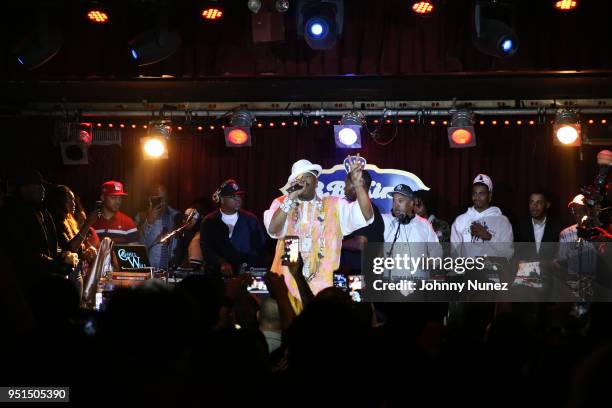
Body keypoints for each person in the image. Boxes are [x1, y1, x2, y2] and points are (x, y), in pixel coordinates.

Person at [264, 158, 374, 312]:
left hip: (323, 294)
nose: (302, 180)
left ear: (316, 181)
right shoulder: (281, 203)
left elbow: (366, 215)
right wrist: (291, 198)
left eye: (307, 176)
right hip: (285, 290)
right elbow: (273, 229)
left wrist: (358, 185)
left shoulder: (334, 204)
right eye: (298, 178)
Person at [0, 170, 77, 290]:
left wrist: (63, 256)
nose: (43, 189)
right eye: (38, 185)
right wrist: (58, 265)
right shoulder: (13, 214)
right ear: (24, 188)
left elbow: (50, 247)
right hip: (24, 283)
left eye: (43, 186)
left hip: (44, 280)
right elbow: (24, 252)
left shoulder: (44, 213)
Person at [200, 179, 267, 276]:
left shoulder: (251, 220)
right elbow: (206, 248)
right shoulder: (209, 221)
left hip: (245, 276)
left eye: (239, 196)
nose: (238, 199)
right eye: (233, 196)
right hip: (216, 276)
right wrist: (221, 262)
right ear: (222, 199)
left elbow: (259, 248)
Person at [46, 185, 100, 299]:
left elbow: (77, 248)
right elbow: (70, 248)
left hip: (76, 273)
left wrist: (85, 252)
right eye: (70, 199)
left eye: (74, 200)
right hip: (66, 275)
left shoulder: (69, 220)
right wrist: (88, 223)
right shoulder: (56, 221)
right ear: (60, 201)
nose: (74, 203)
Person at [382, 184, 442, 279]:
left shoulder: (424, 225)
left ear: (411, 203)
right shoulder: (384, 220)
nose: (396, 205)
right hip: (391, 284)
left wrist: (430, 262)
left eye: (400, 201)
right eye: (394, 200)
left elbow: (437, 252)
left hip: (418, 284)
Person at [450, 174, 514, 259]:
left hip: (494, 271)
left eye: (481, 193)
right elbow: (455, 255)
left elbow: (509, 253)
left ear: (490, 195)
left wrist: (489, 237)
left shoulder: (502, 221)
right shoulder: (460, 221)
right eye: (474, 193)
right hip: (468, 271)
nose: (477, 197)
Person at [340, 170, 385, 274]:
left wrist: (336, 243)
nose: (344, 188)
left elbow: (360, 243)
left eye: (346, 183)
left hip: (360, 274)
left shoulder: (362, 210)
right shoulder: (374, 209)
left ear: (359, 183)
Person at [135, 184, 181, 270]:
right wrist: (149, 221)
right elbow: (139, 246)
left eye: (165, 199)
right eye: (160, 199)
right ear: (151, 199)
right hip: (148, 270)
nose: (163, 203)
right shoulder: (141, 217)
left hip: (169, 271)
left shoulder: (174, 216)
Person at [513, 190, 561, 259]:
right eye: (531, 202)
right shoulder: (519, 226)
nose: (534, 206)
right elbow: (515, 251)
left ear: (547, 205)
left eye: (539, 202)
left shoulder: (557, 227)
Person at [91, 180, 138, 245]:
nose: (118, 202)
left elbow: (134, 252)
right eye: (113, 197)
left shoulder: (128, 223)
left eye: (120, 198)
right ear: (102, 197)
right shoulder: (91, 222)